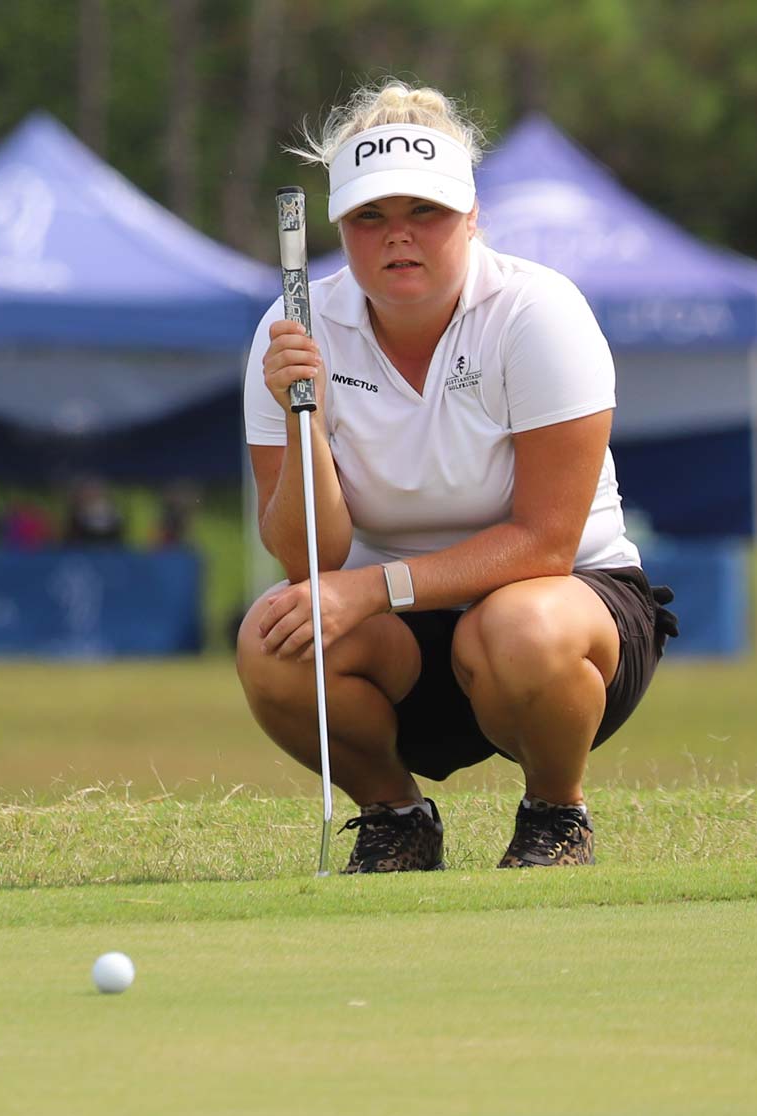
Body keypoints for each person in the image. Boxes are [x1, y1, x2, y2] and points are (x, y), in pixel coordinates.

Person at [236, 80, 677, 874]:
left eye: (425, 214)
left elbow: (545, 541)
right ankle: (396, 817)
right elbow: (309, 560)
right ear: (340, 225)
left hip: (562, 606)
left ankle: (555, 810)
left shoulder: (537, 311)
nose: (397, 238)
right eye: (371, 217)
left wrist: (371, 591)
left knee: (516, 628)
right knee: (272, 640)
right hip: (402, 638)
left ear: (472, 217)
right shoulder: (291, 330)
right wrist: (305, 417)